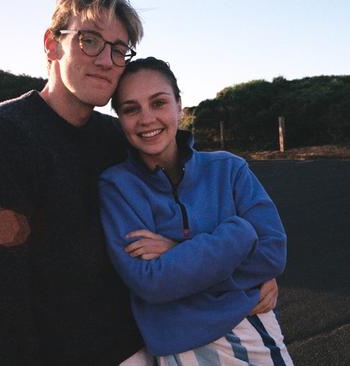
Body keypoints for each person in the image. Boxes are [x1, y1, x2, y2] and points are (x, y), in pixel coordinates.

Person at [0, 1, 146, 364]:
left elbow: (178, 202)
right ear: (52, 44)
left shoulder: (115, 138)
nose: (107, 60)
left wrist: (249, 272)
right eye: (89, 40)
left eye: (119, 50)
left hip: (143, 345)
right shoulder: (2, 135)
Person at [99, 57, 294, 365]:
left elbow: (271, 253)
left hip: (249, 327)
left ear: (179, 105)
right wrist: (238, 235)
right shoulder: (117, 186)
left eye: (158, 103)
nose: (146, 119)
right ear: (120, 118)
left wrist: (179, 250)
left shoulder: (229, 169)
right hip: (178, 344)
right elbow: (150, 282)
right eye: (131, 109)